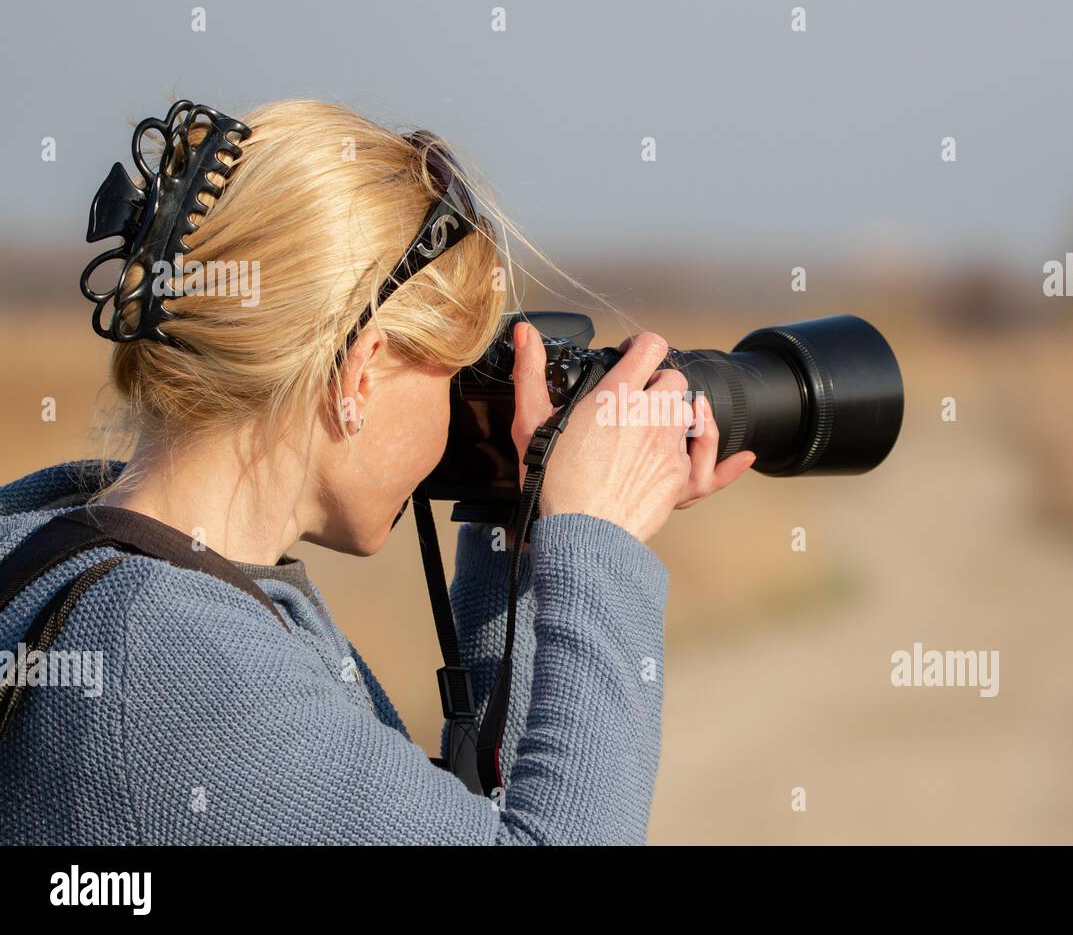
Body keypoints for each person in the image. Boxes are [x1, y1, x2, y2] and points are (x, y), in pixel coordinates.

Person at [0, 99, 753, 844]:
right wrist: (596, 542)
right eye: (453, 377)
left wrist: (519, 539)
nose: (458, 412)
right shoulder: (170, 651)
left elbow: (482, 827)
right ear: (360, 374)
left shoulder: (57, 542)